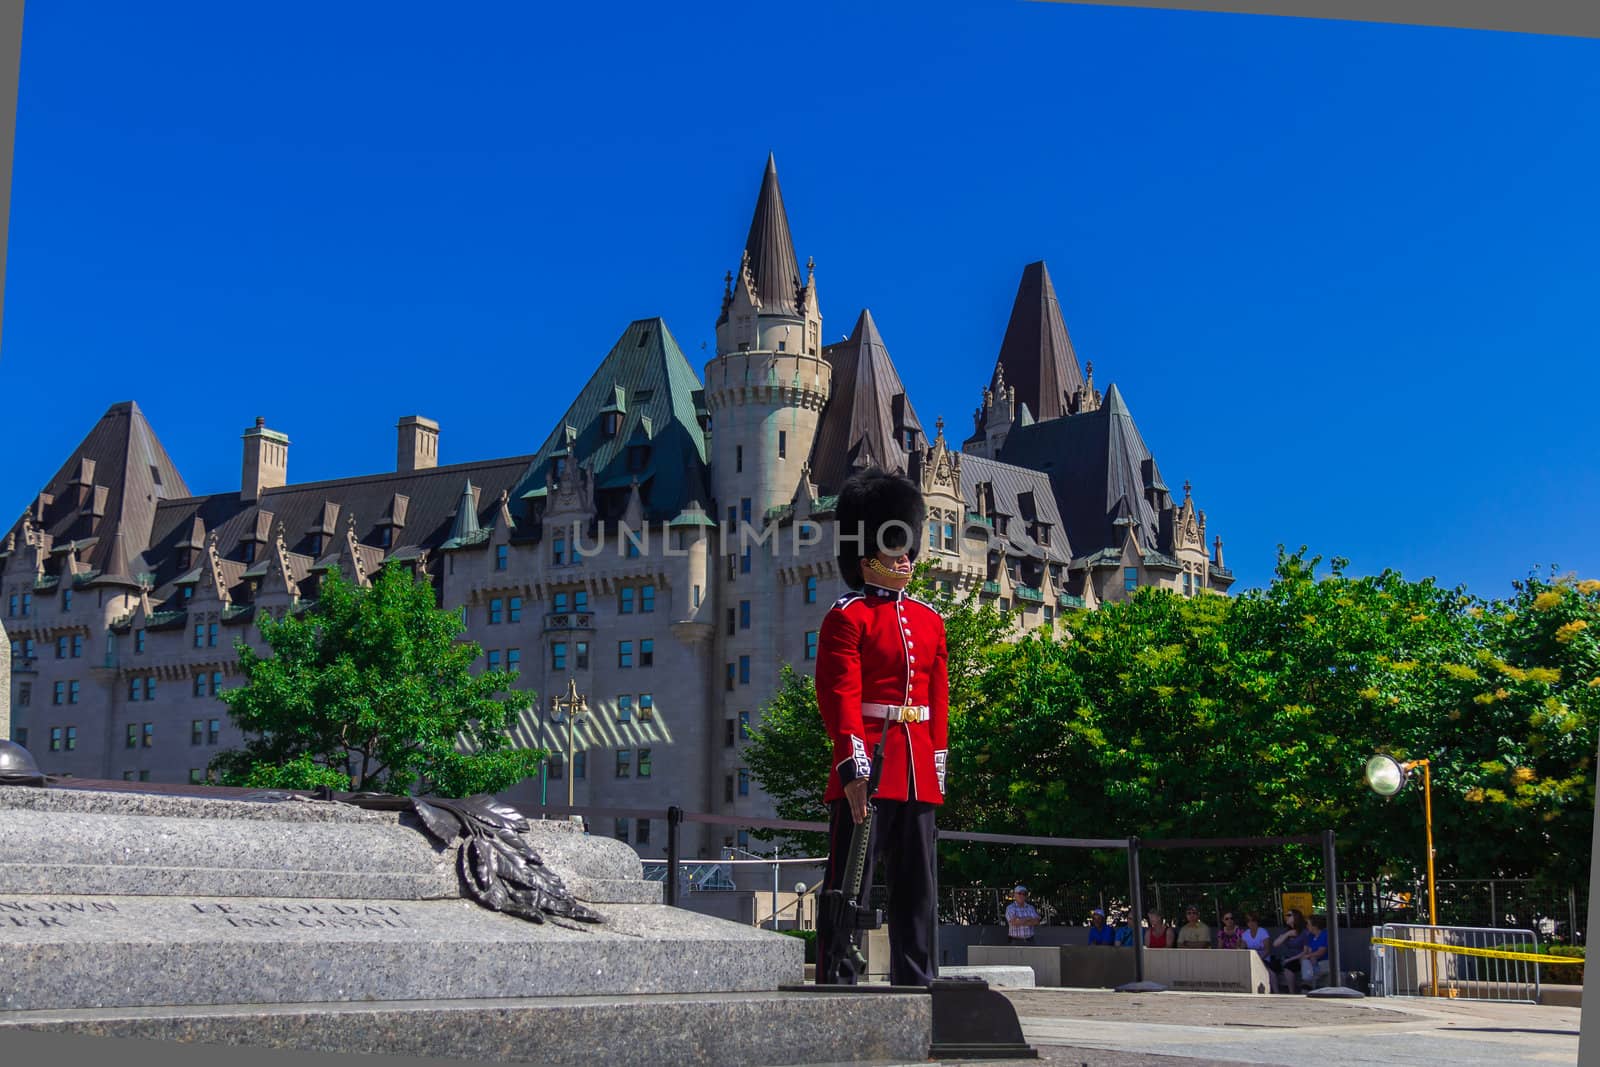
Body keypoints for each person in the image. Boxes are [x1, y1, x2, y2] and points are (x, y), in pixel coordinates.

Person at [814, 468, 948, 987]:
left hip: (915, 764)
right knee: (852, 882)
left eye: (908, 548)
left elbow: (938, 698)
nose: (907, 559)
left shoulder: (929, 619)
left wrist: (937, 758)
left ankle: (918, 975)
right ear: (868, 554)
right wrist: (852, 764)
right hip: (870, 760)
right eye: (896, 550)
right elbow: (839, 695)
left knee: (918, 886)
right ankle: (839, 975)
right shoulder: (848, 617)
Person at [1287, 914, 1331, 989]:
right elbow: (1307, 951)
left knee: (1309, 966)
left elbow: (1321, 952)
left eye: (1308, 924)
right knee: (1306, 962)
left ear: (1315, 926)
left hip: (1325, 962)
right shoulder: (1310, 936)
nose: (1306, 926)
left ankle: (1307, 984)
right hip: (1313, 963)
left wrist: (1308, 956)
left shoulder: (1325, 935)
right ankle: (1307, 984)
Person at [1271, 909, 1308, 993]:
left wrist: (1289, 959)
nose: (1286, 917)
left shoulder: (1304, 932)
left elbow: (1305, 951)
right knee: (1272, 966)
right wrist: (1287, 934)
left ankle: (1292, 992)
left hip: (1299, 958)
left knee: (1288, 967)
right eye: (1286, 915)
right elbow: (1275, 944)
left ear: (1296, 917)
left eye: (1289, 915)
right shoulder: (1287, 931)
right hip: (1288, 957)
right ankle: (1277, 993)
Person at [1240, 912, 1276, 991]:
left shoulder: (1263, 932)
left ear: (1257, 921)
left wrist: (1259, 960)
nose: (1251, 923)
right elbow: (1242, 949)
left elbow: (1267, 949)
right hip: (1250, 960)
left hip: (1264, 958)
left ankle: (1277, 992)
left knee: (1270, 973)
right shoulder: (1245, 934)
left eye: (1253, 920)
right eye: (1248, 921)